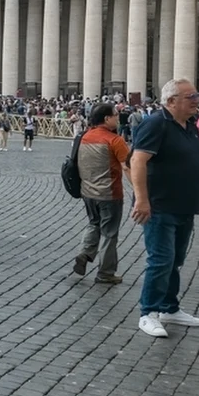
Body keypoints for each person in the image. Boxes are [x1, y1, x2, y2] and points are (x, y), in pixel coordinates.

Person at [131, 78, 199, 337]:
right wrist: (142, 200)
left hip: (184, 205)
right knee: (161, 260)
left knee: (175, 260)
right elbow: (138, 161)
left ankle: (169, 308)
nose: (197, 101)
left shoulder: (190, 126)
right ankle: (148, 312)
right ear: (171, 101)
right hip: (160, 205)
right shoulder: (155, 123)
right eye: (191, 97)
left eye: (197, 96)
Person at [72, 103, 130, 285]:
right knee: (110, 233)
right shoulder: (115, 140)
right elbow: (127, 167)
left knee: (93, 223)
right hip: (109, 193)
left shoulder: (84, 137)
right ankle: (105, 272)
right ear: (107, 119)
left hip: (88, 192)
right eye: (115, 115)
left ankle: (85, 253)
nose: (118, 117)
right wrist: (140, 191)